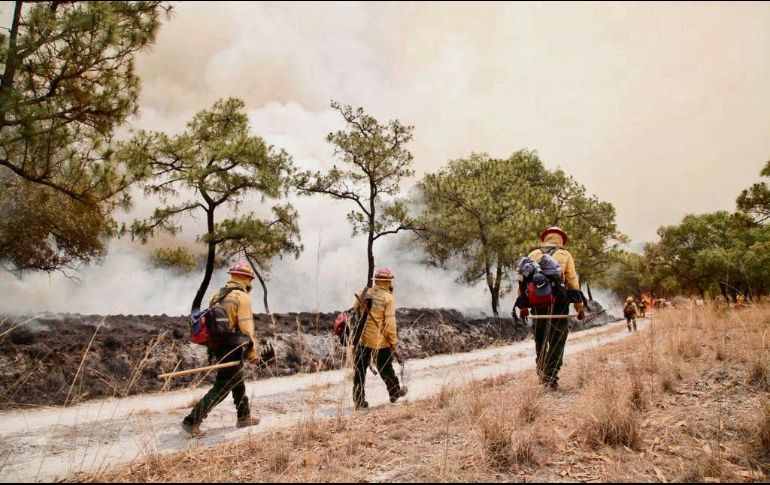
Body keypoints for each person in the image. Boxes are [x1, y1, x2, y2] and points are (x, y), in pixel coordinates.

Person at [182, 260, 262, 436]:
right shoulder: (242, 298)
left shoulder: (217, 295)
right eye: (250, 280)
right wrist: (252, 353)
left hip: (217, 346)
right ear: (247, 279)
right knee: (223, 386)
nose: (250, 284)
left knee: (237, 380)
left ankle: (244, 417)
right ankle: (192, 420)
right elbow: (247, 329)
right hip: (232, 347)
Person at [514, 227, 585, 390]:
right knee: (558, 339)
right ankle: (551, 375)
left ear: (545, 239)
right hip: (559, 305)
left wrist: (523, 307)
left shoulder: (533, 254)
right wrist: (579, 308)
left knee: (540, 337)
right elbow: (573, 282)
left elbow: (522, 282)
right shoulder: (566, 255)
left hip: (537, 304)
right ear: (561, 239)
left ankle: (541, 368)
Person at [351, 267, 408, 410]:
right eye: (390, 281)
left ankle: (358, 400)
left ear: (376, 281)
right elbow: (390, 323)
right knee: (385, 367)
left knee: (360, 370)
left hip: (362, 339)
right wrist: (393, 342)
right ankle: (394, 391)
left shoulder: (364, 293)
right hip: (380, 341)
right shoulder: (388, 298)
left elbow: (355, 311)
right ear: (387, 281)